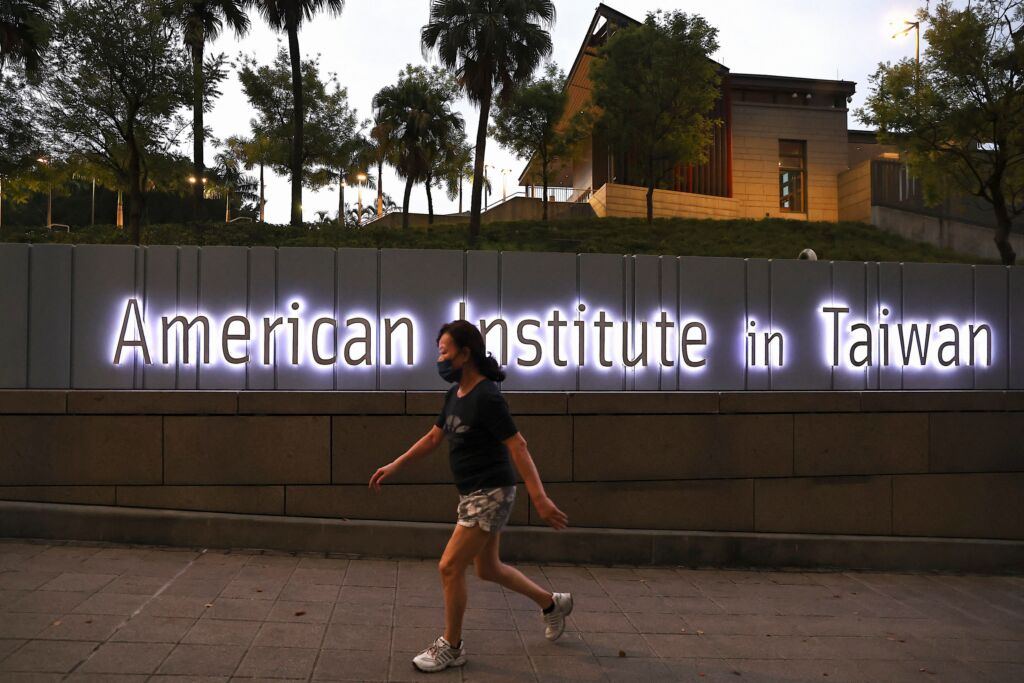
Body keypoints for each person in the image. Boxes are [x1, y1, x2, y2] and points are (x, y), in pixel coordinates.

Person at [369, 319, 574, 673]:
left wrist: (539, 498)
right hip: (472, 493)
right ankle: (551, 604)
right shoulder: (455, 395)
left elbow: (518, 446)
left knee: (449, 566)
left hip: (490, 491)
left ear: (466, 354)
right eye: (439, 352)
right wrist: (395, 465)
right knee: (488, 568)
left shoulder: (488, 396)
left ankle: (452, 645)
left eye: (445, 351)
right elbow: (434, 438)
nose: (440, 359)